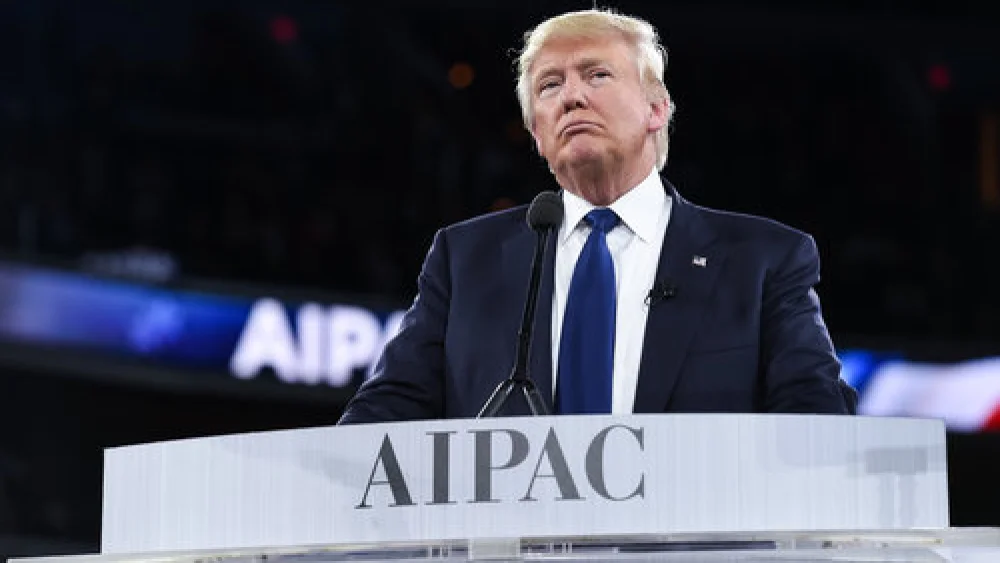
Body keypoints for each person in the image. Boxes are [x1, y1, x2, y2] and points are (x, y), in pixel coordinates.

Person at [339, 8, 856, 423]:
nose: (572, 96)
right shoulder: (464, 259)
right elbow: (383, 414)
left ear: (656, 109)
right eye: (549, 86)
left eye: (597, 74)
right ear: (538, 134)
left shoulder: (763, 260)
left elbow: (817, 424)